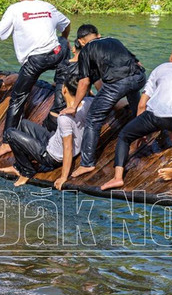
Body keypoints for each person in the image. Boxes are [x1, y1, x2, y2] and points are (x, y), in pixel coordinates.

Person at [0, 0, 71, 157]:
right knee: (64, 45)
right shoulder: (48, 6)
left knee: (17, 99)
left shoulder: (15, 9)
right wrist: (64, 38)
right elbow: (67, 24)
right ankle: (60, 97)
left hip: (34, 62)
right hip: (56, 54)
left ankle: (7, 142)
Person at [99, 39, 172, 191]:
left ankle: (117, 178)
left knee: (124, 136)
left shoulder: (161, 68)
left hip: (156, 118)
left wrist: (140, 131)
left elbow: (142, 104)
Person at [62, 24, 147, 179]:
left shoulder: (86, 50)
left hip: (119, 83)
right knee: (133, 93)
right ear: (98, 35)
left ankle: (87, 164)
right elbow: (138, 63)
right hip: (139, 77)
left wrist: (74, 107)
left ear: (81, 41)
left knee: (93, 119)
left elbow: (84, 82)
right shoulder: (114, 40)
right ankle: (142, 128)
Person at [0, 80, 95, 189]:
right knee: (23, 124)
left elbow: (67, 147)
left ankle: (26, 171)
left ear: (64, 90)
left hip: (51, 157)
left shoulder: (64, 118)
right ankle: (19, 165)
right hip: (52, 140)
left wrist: (63, 177)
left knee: (9, 133)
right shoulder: (88, 102)